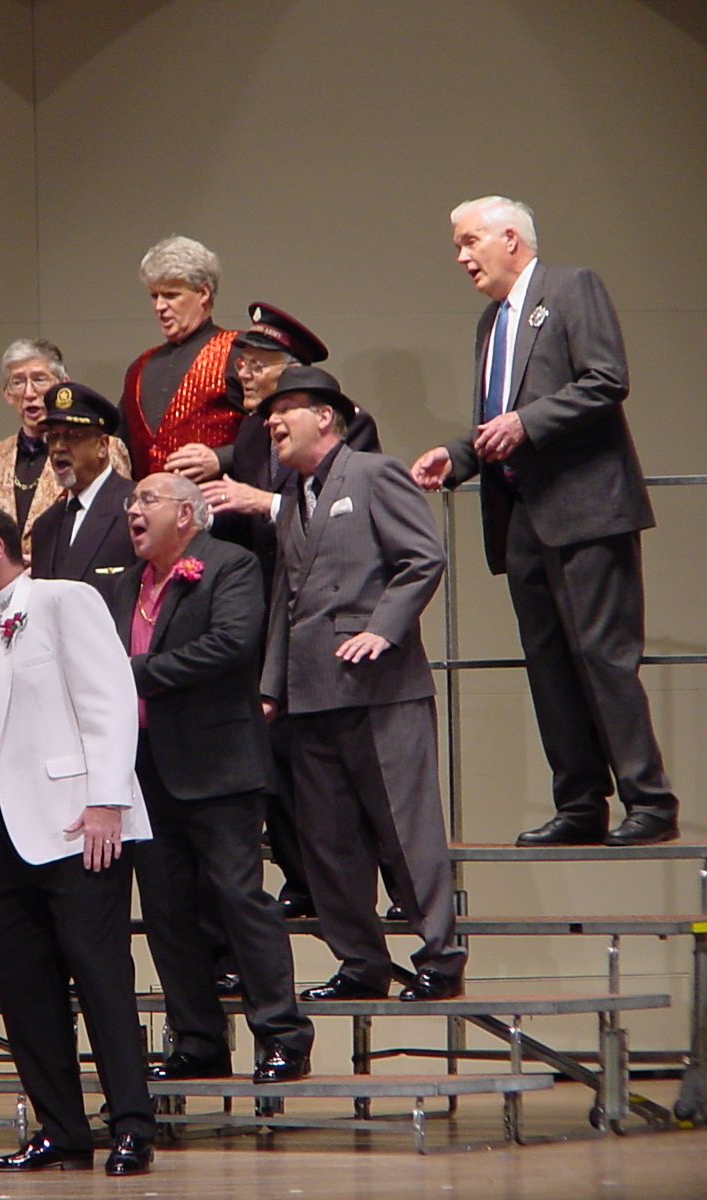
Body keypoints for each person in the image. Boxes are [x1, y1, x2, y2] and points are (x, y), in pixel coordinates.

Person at [410, 196, 677, 847]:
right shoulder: (491, 321)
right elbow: (496, 419)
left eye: (469, 241)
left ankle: (650, 801)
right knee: (548, 665)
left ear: (510, 238)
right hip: (522, 517)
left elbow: (606, 379)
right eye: (457, 246)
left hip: (587, 509)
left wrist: (527, 424)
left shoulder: (571, 287)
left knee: (603, 657)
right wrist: (457, 454)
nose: (461, 257)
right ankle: (580, 802)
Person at [0, 505, 156, 1177]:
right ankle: (62, 1132)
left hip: (79, 825)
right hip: (11, 834)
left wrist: (107, 800)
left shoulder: (63, 600)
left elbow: (109, 699)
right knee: (23, 983)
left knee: (100, 976)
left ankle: (132, 1126)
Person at [259, 367, 467, 1003]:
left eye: (286, 409)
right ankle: (360, 963)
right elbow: (285, 600)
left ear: (325, 416)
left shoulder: (374, 473)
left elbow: (423, 557)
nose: (272, 422)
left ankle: (441, 956)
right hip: (310, 690)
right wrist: (271, 686)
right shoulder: (295, 495)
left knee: (405, 828)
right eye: (270, 414)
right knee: (328, 841)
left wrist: (384, 628)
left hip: (380, 688)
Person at [111, 473, 314, 1082]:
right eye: (131, 502)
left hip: (219, 765)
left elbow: (231, 644)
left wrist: (135, 672)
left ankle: (283, 1035)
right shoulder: (123, 583)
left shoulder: (230, 565)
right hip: (144, 769)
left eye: (147, 499)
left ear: (187, 513)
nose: (133, 510)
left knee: (238, 897)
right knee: (167, 910)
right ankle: (197, 1040)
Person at [205, 302, 383, 922]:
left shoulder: (351, 425)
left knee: (354, 767)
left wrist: (259, 500)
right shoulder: (252, 432)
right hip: (267, 607)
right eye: (242, 362)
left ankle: (389, 889)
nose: (243, 372)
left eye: (258, 363)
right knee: (274, 753)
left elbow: (340, 515)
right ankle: (303, 876)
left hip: (328, 614)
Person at [0, 338, 131, 557]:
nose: (29, 393)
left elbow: (117, 524)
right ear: (6, 393)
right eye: (18, 382)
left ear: (63, 385)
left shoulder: (103, 447)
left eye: (39, 379)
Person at [118, 235, 243, 482]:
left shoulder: (238, 352)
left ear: (203, 293)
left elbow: (273, 435)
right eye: (154, 296)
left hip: (220, 502)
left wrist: (222, 458)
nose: (159, 306)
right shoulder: (139, 368)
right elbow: (120, 447)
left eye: (171, 295)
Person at [27, 382, 134, 597]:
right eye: (53, 437)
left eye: (71, 436)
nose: (58, 447)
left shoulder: (134, 508)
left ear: (102, 446)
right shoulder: (44, 525)